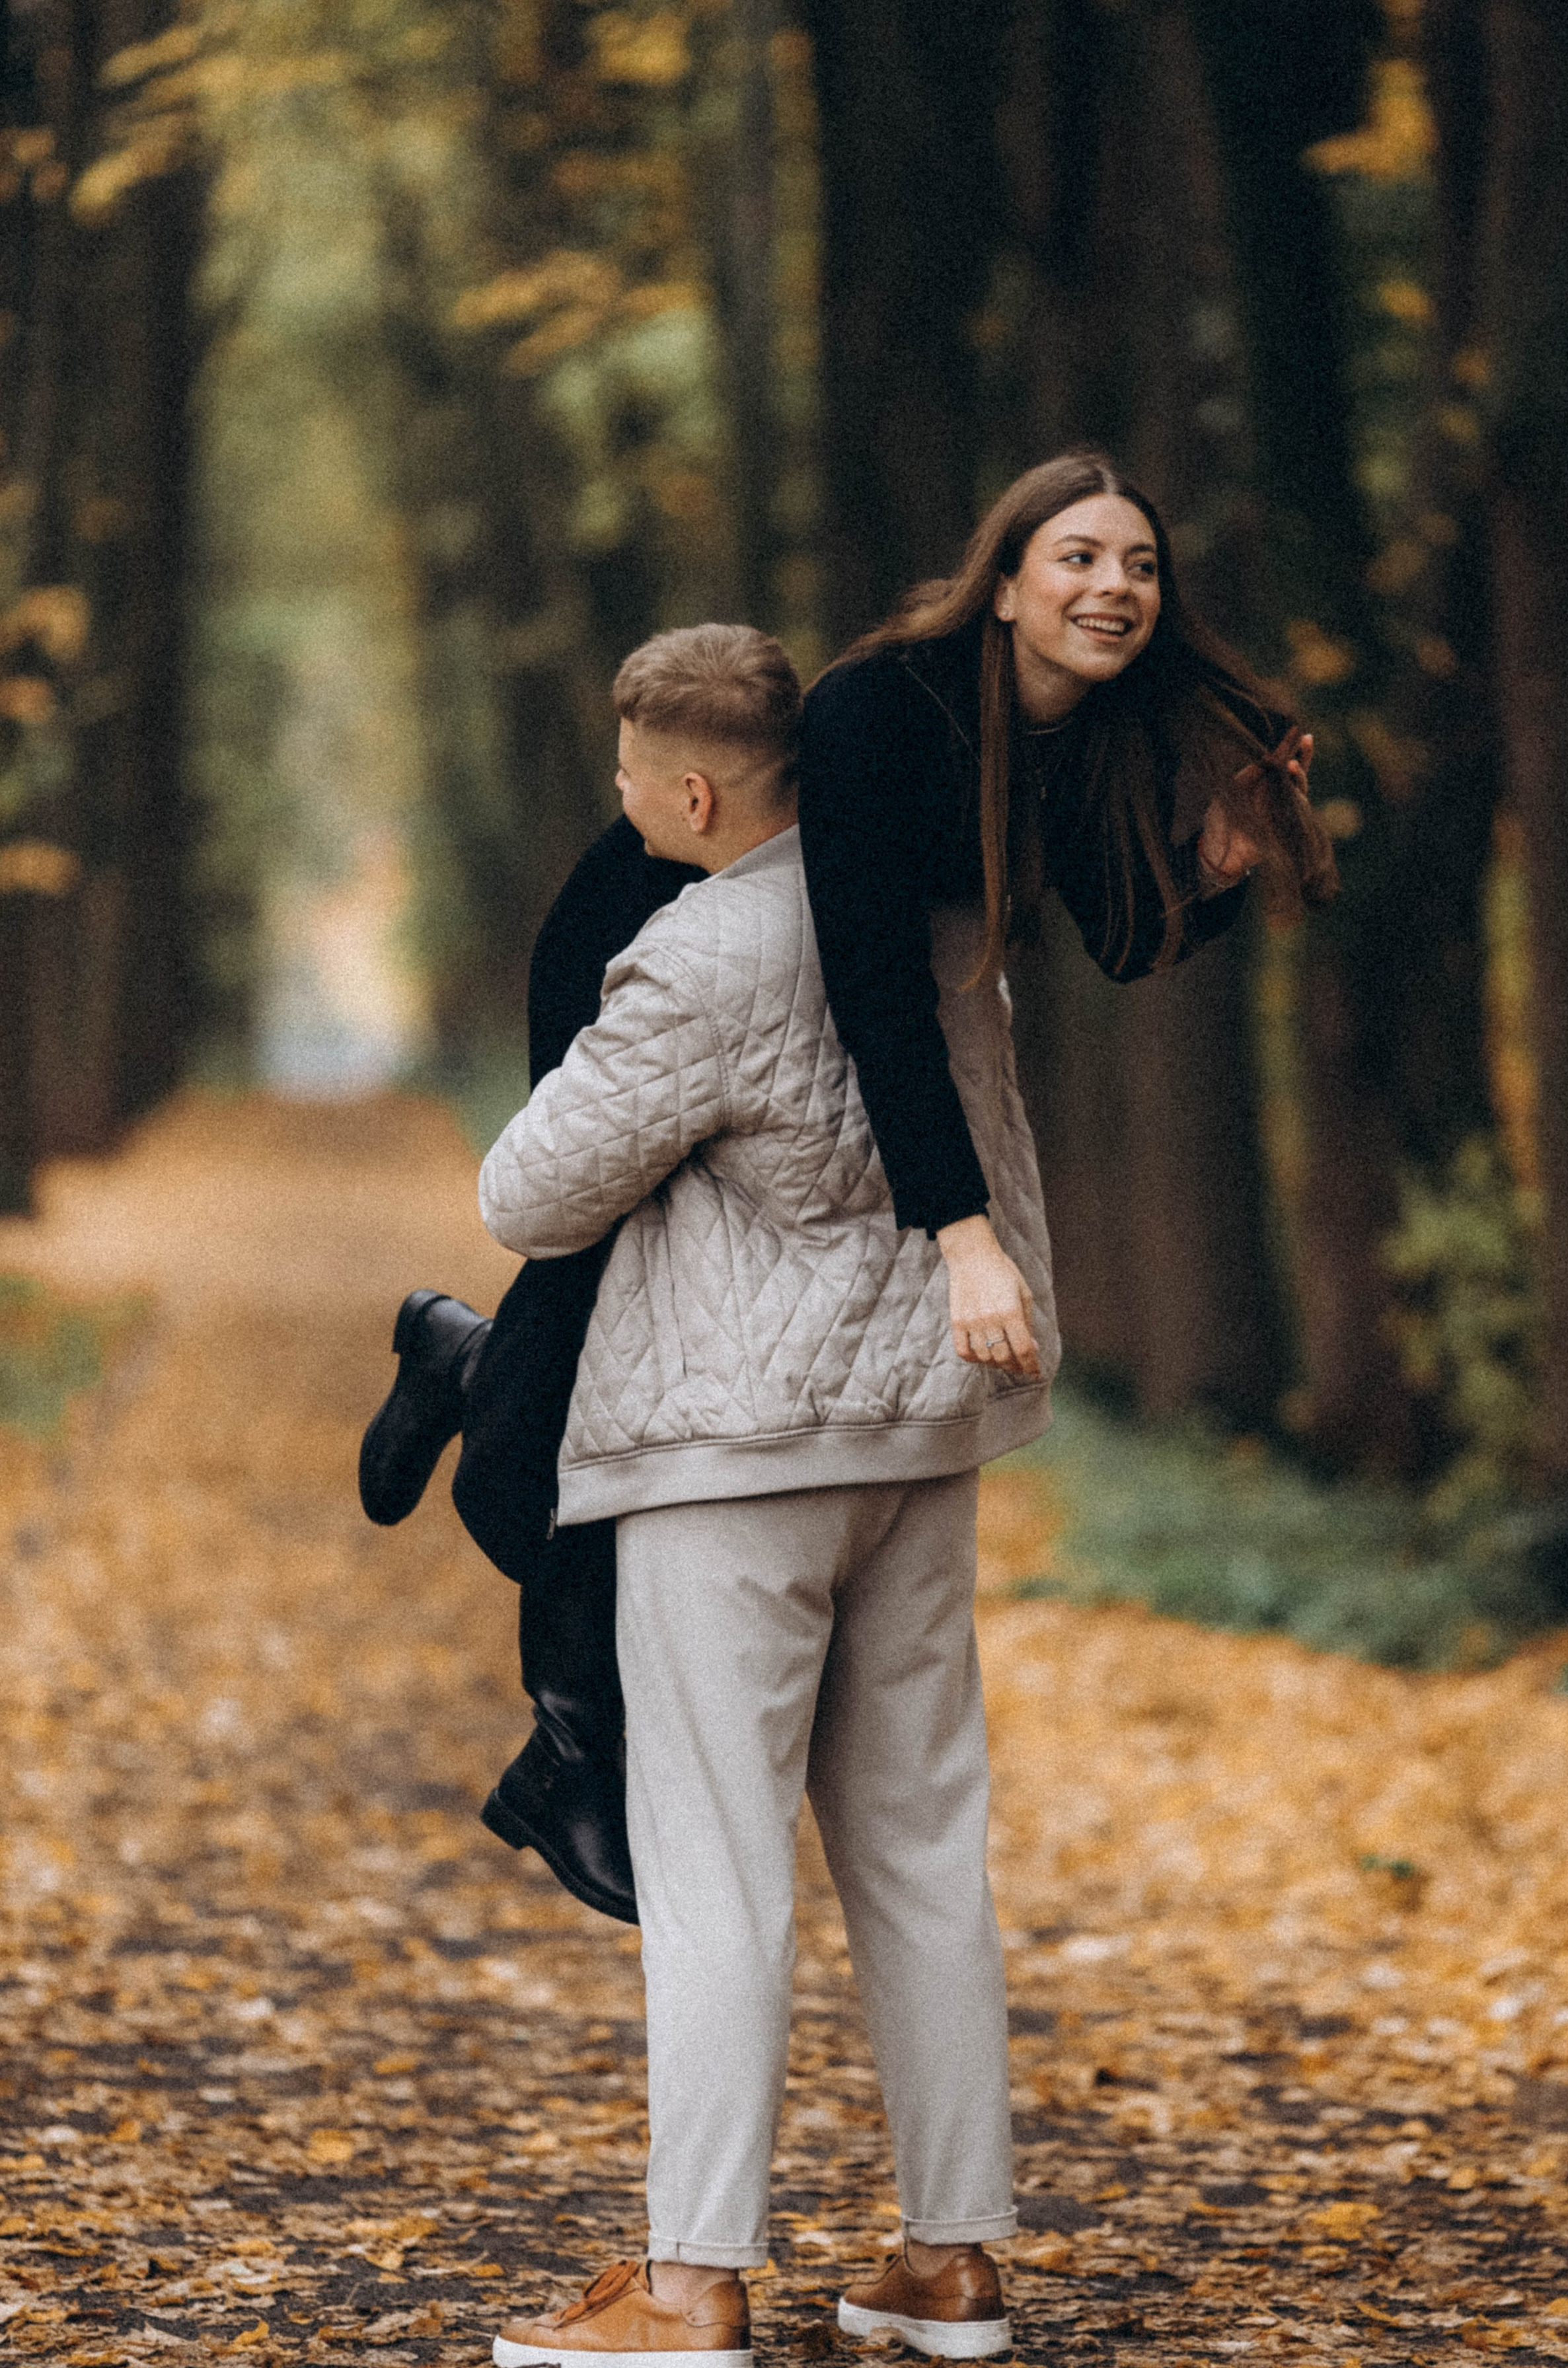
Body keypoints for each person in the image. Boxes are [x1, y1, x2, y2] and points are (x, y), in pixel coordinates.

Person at [357, 448, 1331, 1919]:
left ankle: (471, 1373)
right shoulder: (891, 707)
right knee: (592, 1351)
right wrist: (962, 1235)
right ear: (1004, 582)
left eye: (1136, 564)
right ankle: (572, 1736)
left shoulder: (1083, 741)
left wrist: (1220, 862)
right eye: (1076, 557)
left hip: (760, 996)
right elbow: (876, 989)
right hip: (648, 937)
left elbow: (1115, 942)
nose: (1112, 585)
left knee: (579, 1355)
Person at [479, 620, 1053, 2368]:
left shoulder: (699, 948)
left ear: (698, 785)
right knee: (924, 1854)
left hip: (733, 1462)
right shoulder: (938, 928)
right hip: (913, 1436)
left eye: (636, 781)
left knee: (722, 1861)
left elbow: (528, 1192)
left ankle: (693, 2280)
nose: (625, 806)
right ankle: (951, 2259)